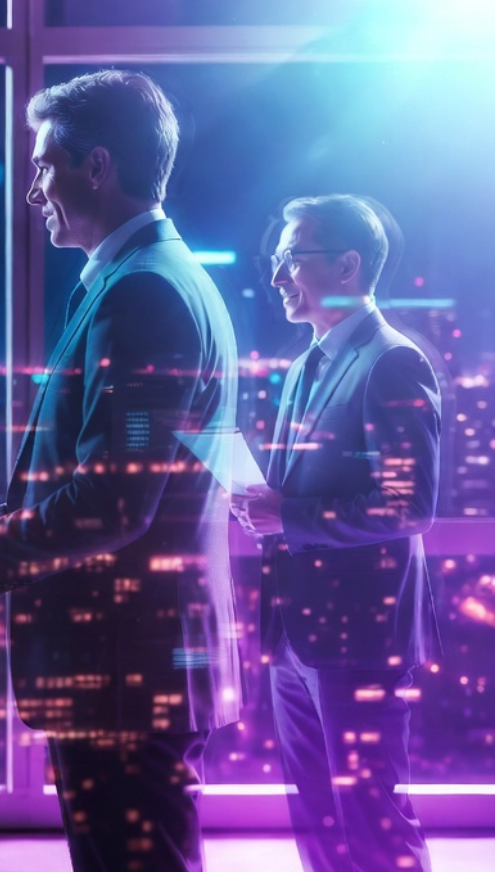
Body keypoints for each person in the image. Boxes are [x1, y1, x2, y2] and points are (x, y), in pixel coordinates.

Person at [0, 71, 242, 872]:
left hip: (123, 663)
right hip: (134, 658)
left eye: (44, 165)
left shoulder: (144, 292)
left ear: (98, 167)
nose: (32, 189)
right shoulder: (151, 279)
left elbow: (113, 502)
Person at [233, 195, 440, 872]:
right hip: (299, 631)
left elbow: (408, 508)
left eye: (291, 258)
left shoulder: (393, 362)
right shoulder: (304, 365)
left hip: (359, 636)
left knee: (373, 818)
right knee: (319, 818)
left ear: (347, 266)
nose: (276, 276)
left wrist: (286, 517)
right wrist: (266, 503)